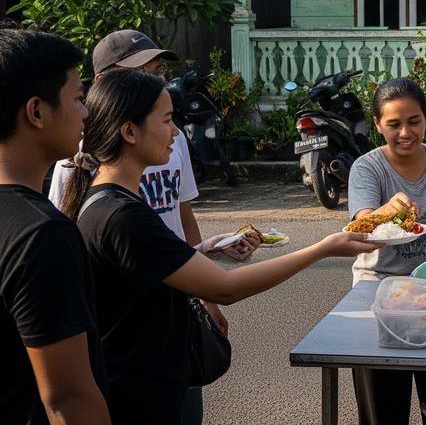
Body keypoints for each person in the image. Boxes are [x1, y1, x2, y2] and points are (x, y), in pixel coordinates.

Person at [58, 69, 382, 424]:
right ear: (129, 131)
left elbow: (140, 272)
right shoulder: (122, 215)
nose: (176, 132)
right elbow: (225, 288)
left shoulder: (107, 201)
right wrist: (323, 248)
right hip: (138, 396)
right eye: (167, 120)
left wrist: (200, 251)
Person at [47, 30, 258, 424]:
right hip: (130, 340)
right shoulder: (79, 168)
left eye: (159, 71)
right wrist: (327, 244)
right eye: (145, 71)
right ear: (109, 82)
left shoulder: (168, 140)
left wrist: (203, 283)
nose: (158, 80)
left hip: (175, 313)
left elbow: (183, 215)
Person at [347, 78, 426, 425]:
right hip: (380, 295)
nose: (405, 132)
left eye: (413, 121)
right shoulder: (367, 168)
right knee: (384, 409)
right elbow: (361, 225)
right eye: (394, 124)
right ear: (377, 126)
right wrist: (387, 210)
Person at [0, 29, 109, 425]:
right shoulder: (41, 234)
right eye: (78, 98)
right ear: (36, 111)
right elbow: (68, 398)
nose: (86, 113)